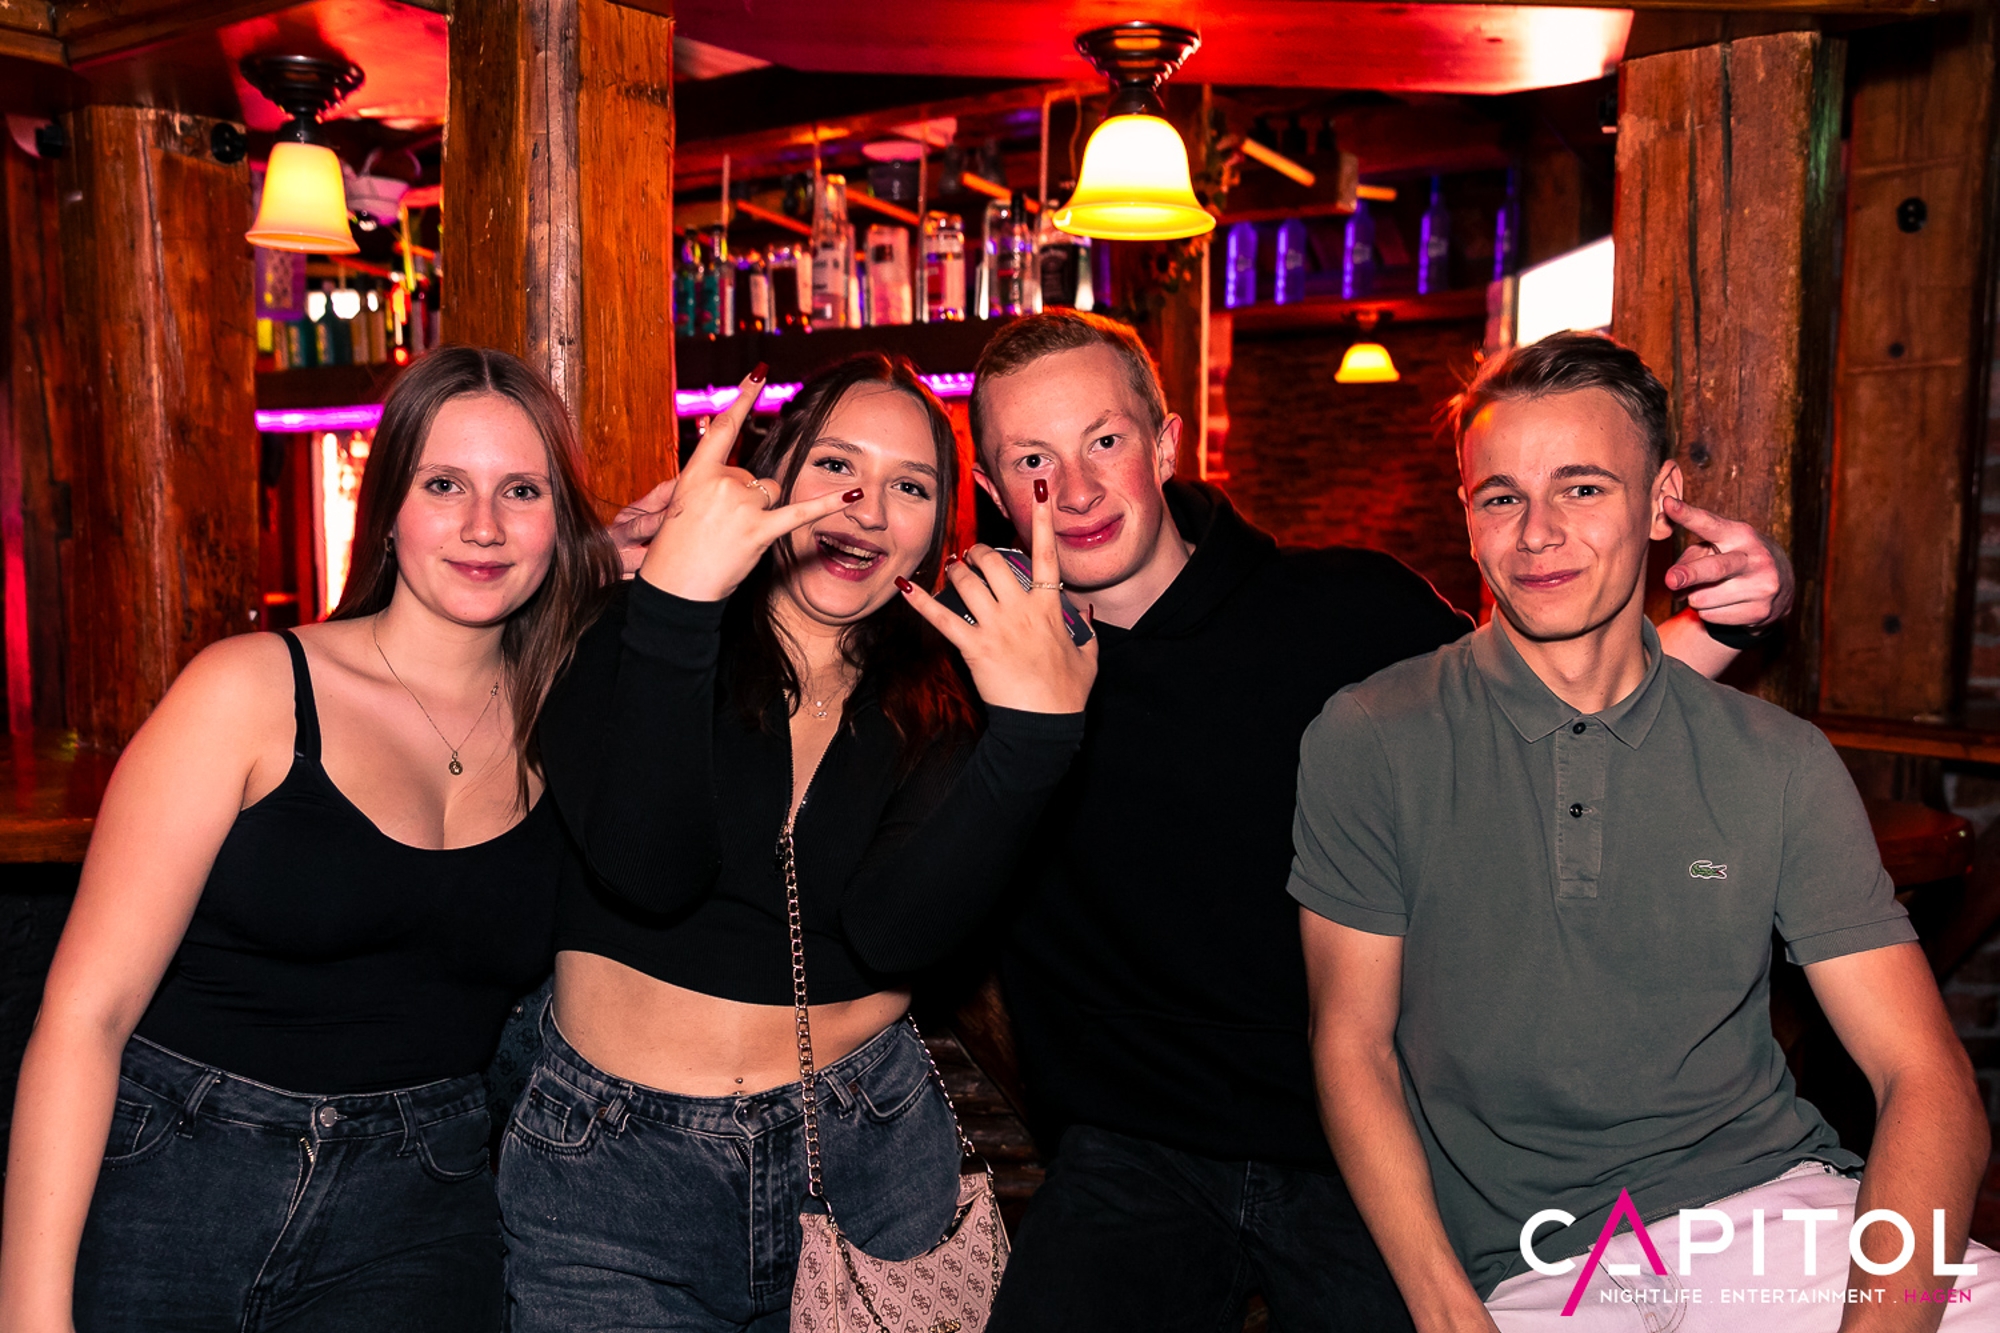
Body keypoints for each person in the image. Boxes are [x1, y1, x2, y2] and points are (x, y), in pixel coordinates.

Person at [962, 311, 1798, 1332]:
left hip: (1369, 1137)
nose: (1078, 489)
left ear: (1166, 443)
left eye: (1104, 439)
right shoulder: (970, 672)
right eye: (1033, 461)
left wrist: (1731, 617)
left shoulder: (1346, 608)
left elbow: (1544, 718)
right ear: (993, 487)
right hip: (1131, 1151)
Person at [1291, 331, 1993, 1332]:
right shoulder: (1372, 736)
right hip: (1534, 1263)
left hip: (1775, 1210)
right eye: (1501, 496)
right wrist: (1446, 1314)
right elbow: (1351, 1047)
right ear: (1466, 513)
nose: (1536, 533)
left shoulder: (1776, 757)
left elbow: (1925, 1075)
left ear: (1663, 501)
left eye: (1581, 488)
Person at [0, 347, 617, 1332]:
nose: (484, 525)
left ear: (559, 521)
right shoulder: (248, 690)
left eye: (522, 491)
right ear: (388, 508)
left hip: (421, 1203)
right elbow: (85, 1017)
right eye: (444, 484)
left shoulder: (571, 722)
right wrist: (31, 1315)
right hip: (178, 1172)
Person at [504, 353, 1095, 1331]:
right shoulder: (627, 626)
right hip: (614, 1165)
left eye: (911, 486)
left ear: (937, 529)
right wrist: (675, 605)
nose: (867, 506)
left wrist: (1035, 740)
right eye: (836, 465)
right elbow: (647, 870)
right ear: (769, 479)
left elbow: (893, 932)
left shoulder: (946, 692)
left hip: (867, 1144)